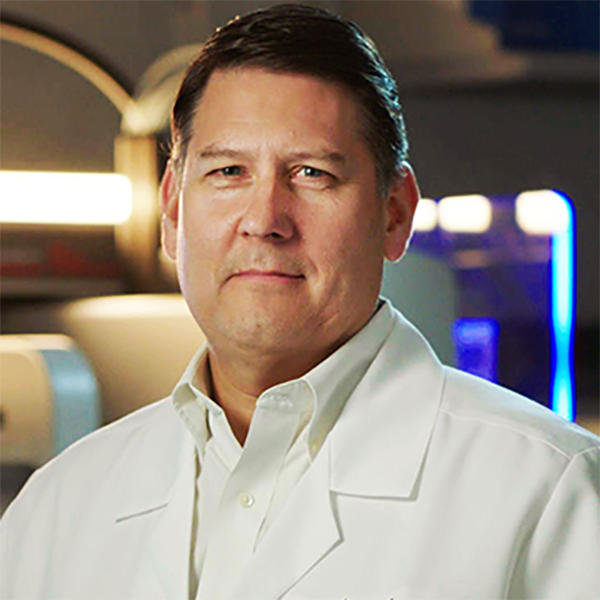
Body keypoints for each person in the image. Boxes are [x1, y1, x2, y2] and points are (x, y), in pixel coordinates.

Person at [1, 4, 599, 599]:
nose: (264, 220)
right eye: (228, 171)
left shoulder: (550, 492)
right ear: (174, 211)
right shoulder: (59, 507)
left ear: (395, 214)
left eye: (312, 173)